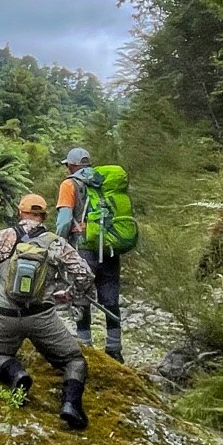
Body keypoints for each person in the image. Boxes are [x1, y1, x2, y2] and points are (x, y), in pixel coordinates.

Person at [0, 192, 93, 430]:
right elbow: (85, 275)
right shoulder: (56, 243)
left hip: (5, 317)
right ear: (43, 216)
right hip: (42, 318)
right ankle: (70, 404)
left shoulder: (3, 236)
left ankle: (16, 374)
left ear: (19, 212)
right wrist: (70, 295)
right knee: (74, 361)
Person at [55, 148, 133, 361]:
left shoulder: (69, 184)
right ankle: (115, 349)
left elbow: (63, 220)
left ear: (71, 165)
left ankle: (85, 347)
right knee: (111, 298)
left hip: (83, 248)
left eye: (67, 165)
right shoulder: (103, 182)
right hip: (108, 247)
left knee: (82, 297)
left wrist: (57, 244)